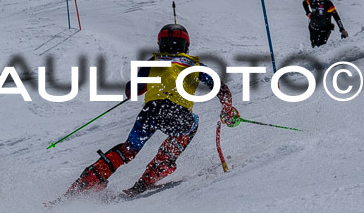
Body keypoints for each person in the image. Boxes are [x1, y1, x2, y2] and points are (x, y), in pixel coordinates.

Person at [64, 23, 239, 198]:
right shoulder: (193, 64)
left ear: (160, 44)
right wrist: (228, 110)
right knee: (192, 124)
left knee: (128, 149)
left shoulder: (154, 61)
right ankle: (157, 169)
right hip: (177, 112)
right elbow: (220, 88)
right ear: (186, 45)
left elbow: (132, 90)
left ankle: (90, 179)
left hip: (150, 112)